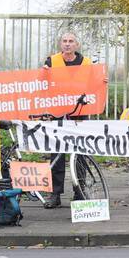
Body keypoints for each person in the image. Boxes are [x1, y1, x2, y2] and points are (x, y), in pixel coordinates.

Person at [41, 31, 89, 209]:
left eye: (71, 41)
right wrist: (43, 74)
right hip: (58, 112)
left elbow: (94, 84)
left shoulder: (86, 63)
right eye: (64, 41)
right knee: (57, 152)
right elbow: (42, 84)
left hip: (80, 112)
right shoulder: (51, 62)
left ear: (77, 45)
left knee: (80, 153)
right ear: (60, 44)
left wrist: (102, 81)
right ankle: (55, 193)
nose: (67, 44)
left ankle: (80, 191)